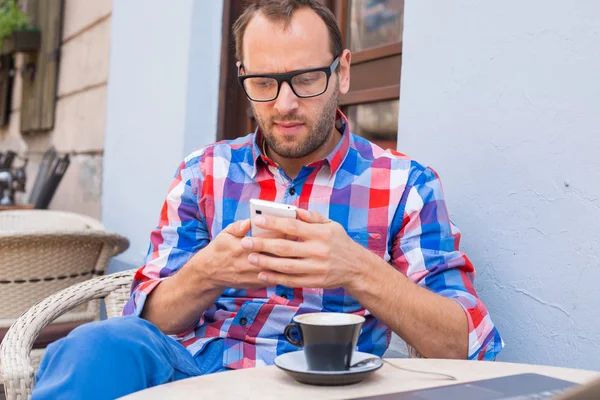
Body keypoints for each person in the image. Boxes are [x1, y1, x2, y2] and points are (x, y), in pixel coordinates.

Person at [32, 0, 503, 398]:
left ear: (342, 73)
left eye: (305, 79)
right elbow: (149, 316)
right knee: (91, 347)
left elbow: (467, 343)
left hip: (334, 385)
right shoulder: (204, 173)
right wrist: (206, 272)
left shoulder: (405, 184)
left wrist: (357, 269)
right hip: (201, 374)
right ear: (243, 77)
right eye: (264, 82)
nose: (283, 105)